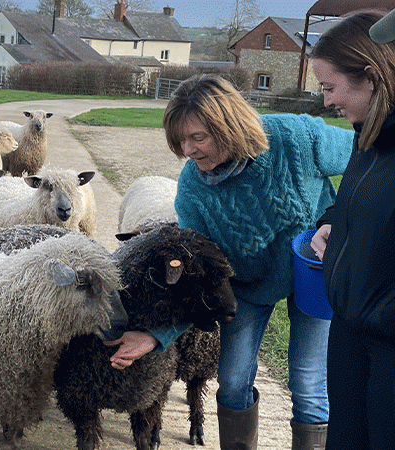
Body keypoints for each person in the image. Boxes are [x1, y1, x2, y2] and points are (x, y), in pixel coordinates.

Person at [105, 73, 354, 450]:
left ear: (228, 125)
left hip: (314, 273)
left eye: (197, 137)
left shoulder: (295, 139)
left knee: (307, 380)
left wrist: (338, 218)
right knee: (233, 380)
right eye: (181, 141)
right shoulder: (192, 189)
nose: (187, 150)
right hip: (248, 287)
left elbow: (370, 157)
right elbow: (198, 277)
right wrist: (157, 335)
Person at [308, 10, 395, 450]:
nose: (326, 101)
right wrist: (330, 225)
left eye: (329, 87)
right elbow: (361, 205)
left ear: (371, 76)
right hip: (350, 332)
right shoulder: (368, 138)